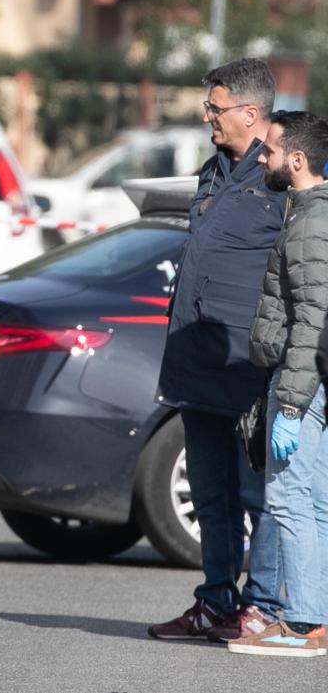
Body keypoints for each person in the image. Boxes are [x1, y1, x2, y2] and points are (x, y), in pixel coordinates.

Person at [150, 58, 287, 641]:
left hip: (250, 366)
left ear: (250, 114)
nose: (207, 116)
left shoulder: (286, 176)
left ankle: (263, 607)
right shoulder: (212, 172)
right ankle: (215, 600)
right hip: (197, 362)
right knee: (211, 494)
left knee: (262, 496)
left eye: (215, 107)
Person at [230, 110, 328, 657]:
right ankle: (313, 620)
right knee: (314, 503)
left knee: (290, 501)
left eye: (268, 149)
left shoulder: (313, 223)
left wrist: (289, 406)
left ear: (297, 159)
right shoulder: (310, 215)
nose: (261, 158)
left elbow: (314, 318)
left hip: (302, 384)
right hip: (312, 381)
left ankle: (303, 624)